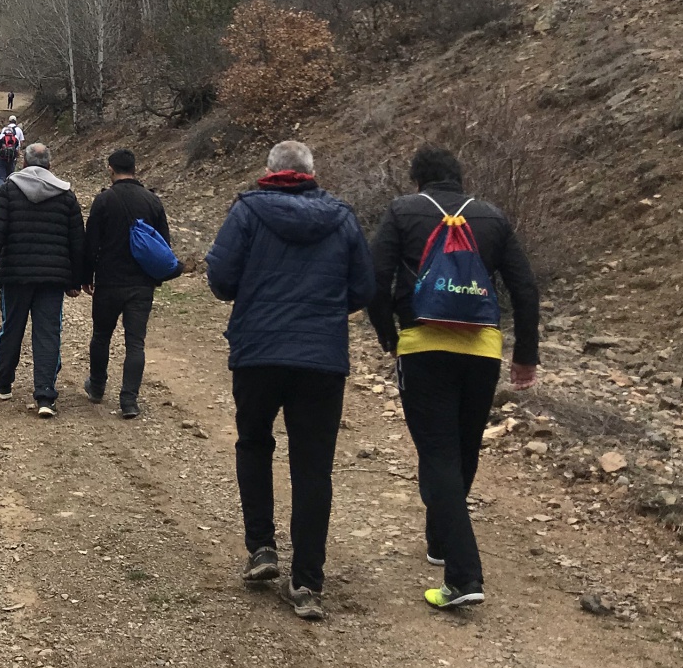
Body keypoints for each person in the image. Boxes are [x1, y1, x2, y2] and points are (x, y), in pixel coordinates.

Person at [205, 141, 374, 622]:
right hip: (321, 358)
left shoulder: (247, 211)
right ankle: (307, 583)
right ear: (311, 172)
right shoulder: (341, 217)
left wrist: (255, 292)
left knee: (254, 444)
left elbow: (220, 277)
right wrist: (321, 308)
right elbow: (363, 287)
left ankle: (261, 548)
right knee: (313, 466)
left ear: (270, 171)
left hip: (257, 351)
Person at [368, 145, 540, 612]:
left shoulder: (404, 211)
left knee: (438, 453)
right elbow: (524, 288)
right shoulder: (493, 218)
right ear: (460, 180)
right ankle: (440, 540)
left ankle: (462, 576)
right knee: (462, 451)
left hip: (423, 347)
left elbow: (375, 278)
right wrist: (526, 355)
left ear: (417, 180)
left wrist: (389, 334)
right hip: (483, 350)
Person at [0, 143, 86, 418]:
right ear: (49, 163)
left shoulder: (8, 191)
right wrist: (78, 279)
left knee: (12, 327)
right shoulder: (65, 195)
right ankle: (46, 395)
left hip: (15, 275)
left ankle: (3, 382)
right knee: (48, 333)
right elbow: (77, 242)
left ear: (23, 161)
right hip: (53, 278)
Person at [82, 149, 172, 419]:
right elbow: (163, 245)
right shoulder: (152, 201)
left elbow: (90, 244)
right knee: (136, 343)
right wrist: (155, 278)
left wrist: (86, 277)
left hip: (109, 282)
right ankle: (129, 401)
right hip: (141, 284)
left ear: (110, 169)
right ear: (135, 168)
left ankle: (97, 386)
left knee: (101, 336)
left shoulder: (104, 201)